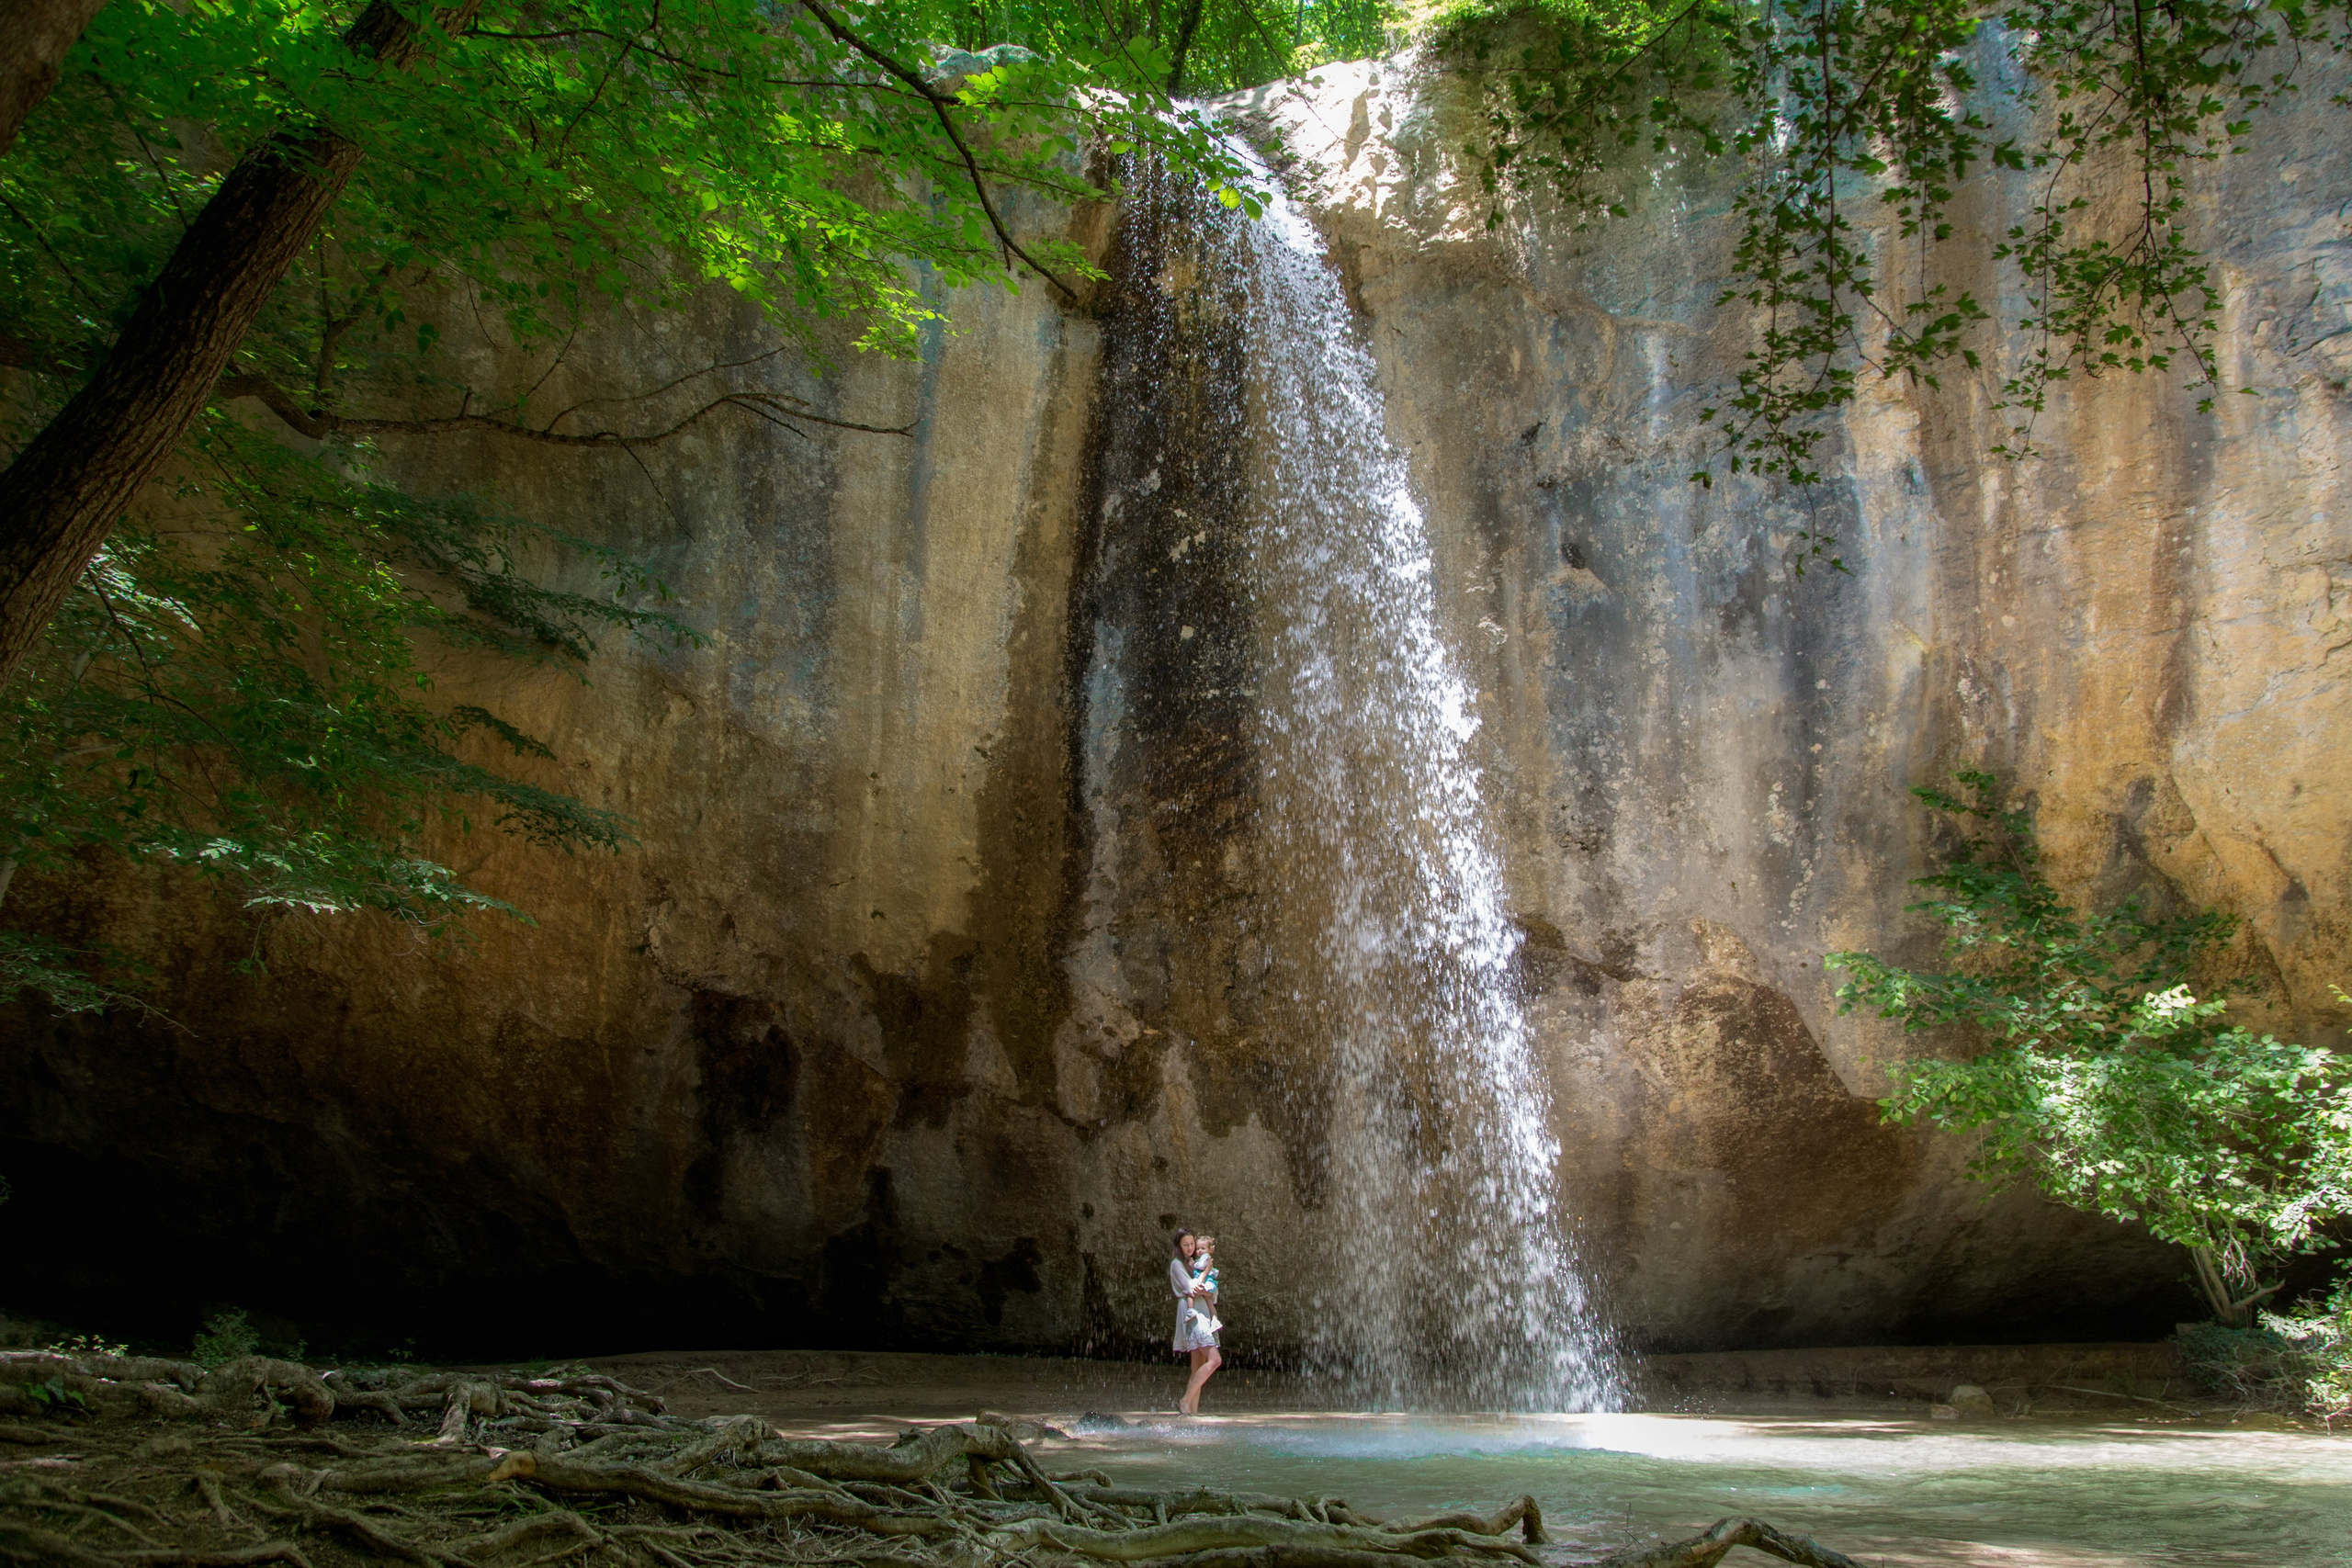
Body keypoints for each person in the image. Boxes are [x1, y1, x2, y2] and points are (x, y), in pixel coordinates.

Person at [1169, 1228, 1222, 1415]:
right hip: (1192, 1313)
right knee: (1215, 1360)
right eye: (1186, 1245)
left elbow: (1212, 1292)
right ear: (1179, 1246)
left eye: (1192, 1244)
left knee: (1198, 1365)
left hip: (1203, 1311)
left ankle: (1192, 1412)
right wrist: (1207, 1272)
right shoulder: (1177, 1265)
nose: (1190, 1248)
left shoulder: (1195, 1263)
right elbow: (1193, 1289)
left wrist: (1206, 1287)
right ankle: (1185, 1400)